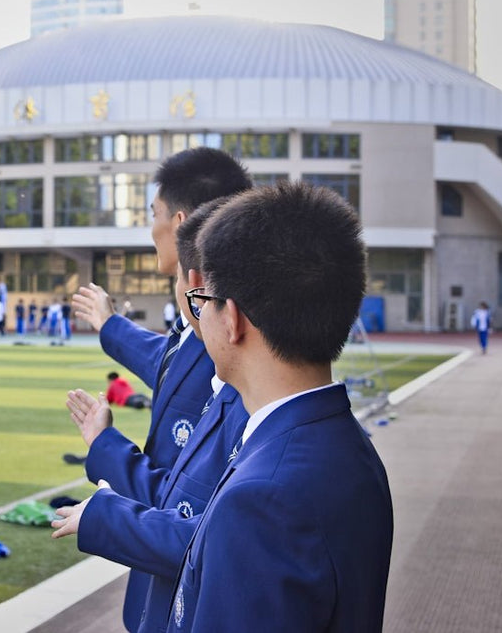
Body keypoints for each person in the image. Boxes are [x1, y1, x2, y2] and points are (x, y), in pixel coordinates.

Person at [168, 182, 393, 632]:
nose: (199, 318)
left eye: (202, 303)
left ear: (231, 319)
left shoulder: (263, 499)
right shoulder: (344, 444)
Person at [69, 147, 251, 632]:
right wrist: (110, 325)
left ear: (181, 222)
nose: (149, 228)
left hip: (181, 591)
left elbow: (183, 508)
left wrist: (106, 451)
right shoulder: (202, 335)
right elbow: (168, 364)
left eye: (153, 214)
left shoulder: (226, 356)